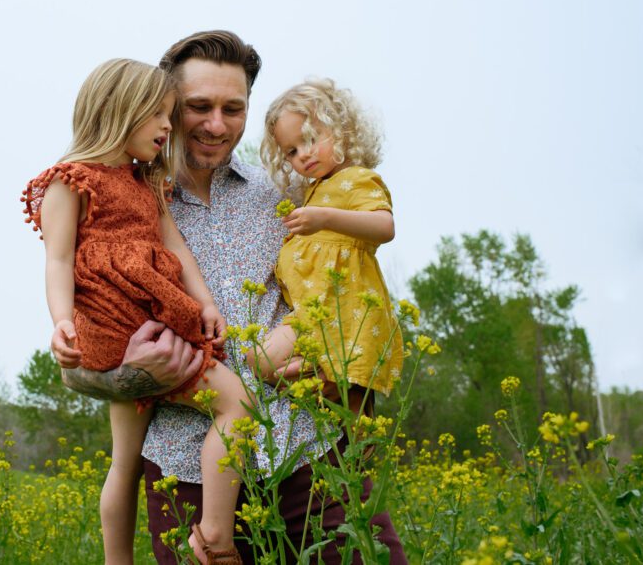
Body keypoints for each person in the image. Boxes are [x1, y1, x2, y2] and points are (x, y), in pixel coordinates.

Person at [51, 31, 408, 564]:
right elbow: (78, 350)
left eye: (233, 108)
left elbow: (351, 296)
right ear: (165, 108)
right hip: (188, 473)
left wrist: (330, 369)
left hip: (312, 455)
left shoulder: (288, 196)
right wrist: (131, 371)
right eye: (198, 107)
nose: (217, 124)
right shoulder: (120, 203)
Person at [23, 58, 251, 565]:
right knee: (237, 405)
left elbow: (176, 248)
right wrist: (61, 321)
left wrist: (206, 303)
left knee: (124, 462)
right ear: (120, 111)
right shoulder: (70, 182)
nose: (168, 128)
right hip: (113, 328)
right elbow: (58, 259)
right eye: (160, 116)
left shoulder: (147, 180)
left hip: (144, 321)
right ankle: (214, 537)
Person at [249, 78, 404, 416]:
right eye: (291, 151)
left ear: (343, 130)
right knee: (257, 360)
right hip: (314, 312)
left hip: (343, 311)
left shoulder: (357, 179)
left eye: (310, 140)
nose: (302, 155)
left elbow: (384, 227)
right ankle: (321, 383)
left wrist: (325, 218)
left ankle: (329, 383)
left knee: (351, 424)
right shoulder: (315, 190)